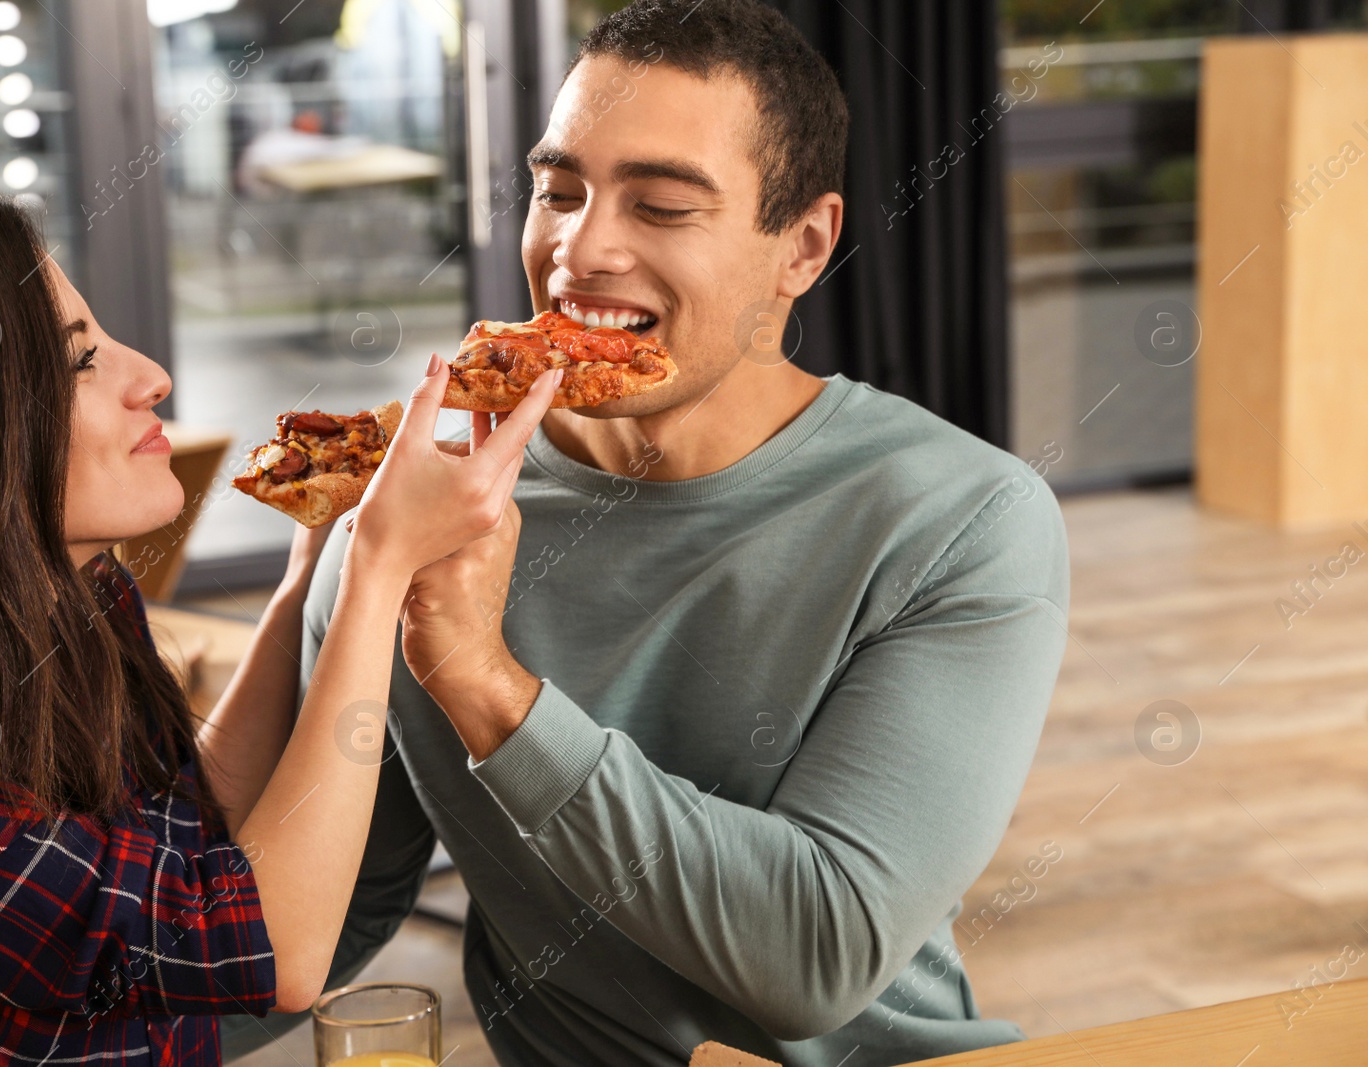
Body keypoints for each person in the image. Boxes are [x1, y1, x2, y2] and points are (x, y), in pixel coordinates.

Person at [291, 2, 1070, 1065]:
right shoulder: (419, 500)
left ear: (802, 246)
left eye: (658, 205)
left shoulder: (958, 517)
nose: (580, 246)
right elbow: (318, 916)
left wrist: (486, 685)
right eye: (557, 191)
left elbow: (814, 956)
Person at [0, 196, 557, 1065]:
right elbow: (267, 949)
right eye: (80, 362)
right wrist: (377, 571)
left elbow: (187, 831)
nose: (150, 376)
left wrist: (305, 581)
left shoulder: (81, 591)